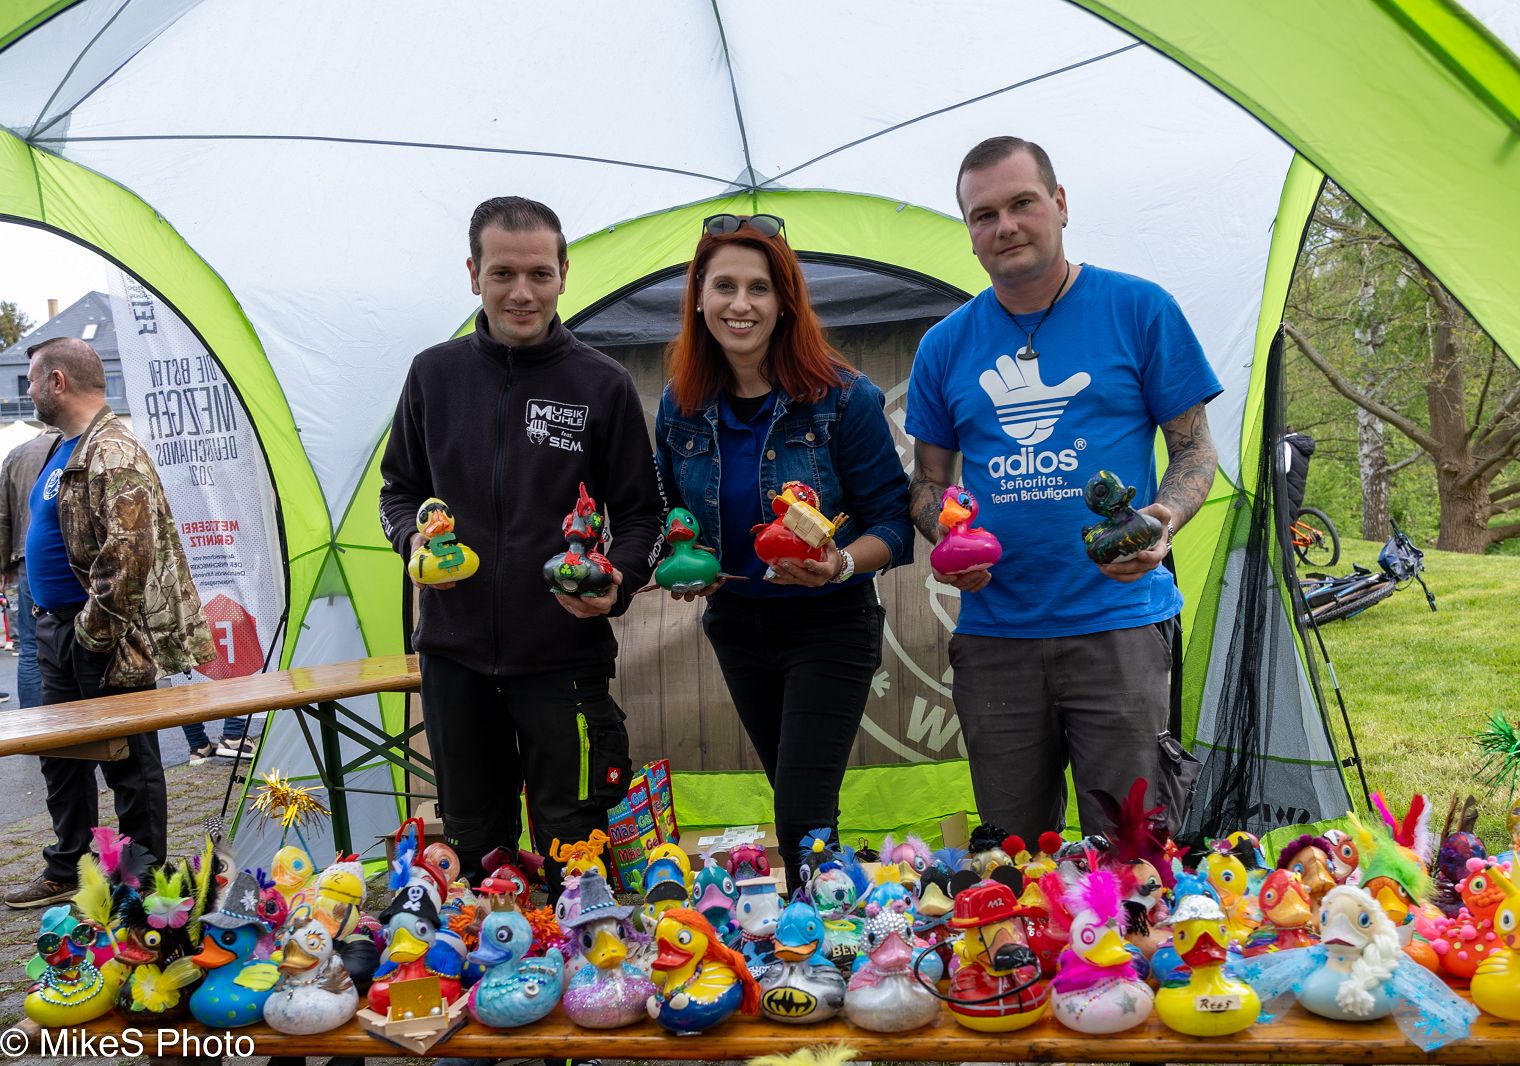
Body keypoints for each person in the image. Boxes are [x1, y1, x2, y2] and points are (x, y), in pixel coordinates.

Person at [905, 137, 1220, 844]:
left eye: (1022, 203)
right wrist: (948, 536)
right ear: (970, 233)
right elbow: (928, 482)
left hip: (1119, 624)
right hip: (995, 636)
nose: (1006, 226)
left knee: (1134, 853)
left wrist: (1162, 520)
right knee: (1015, 858)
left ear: (1061, 204)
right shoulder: (945, 346)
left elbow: (1195, 448)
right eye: (984, 215)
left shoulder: (1139, 310)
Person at [379, 196, 662, 898]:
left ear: (565, 273)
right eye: (503, 273)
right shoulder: (432, 375)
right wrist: (414, 542)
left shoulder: (602, 383)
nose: (522, 293)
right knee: (477, 853)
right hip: (454, 661)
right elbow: (397, 492)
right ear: (473, 273)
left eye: (539, 273)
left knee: (577, 851)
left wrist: (619, 581)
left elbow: (643, 515)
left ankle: (588, 963)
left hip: (564, 663)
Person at [655, 214, 912, 893]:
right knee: (804, 805)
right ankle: (837, 921)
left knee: (799, 814)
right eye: (724, 286)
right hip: (737, 625)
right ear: (699, 298)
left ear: (784, 301)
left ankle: (811, 932)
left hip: (830, 623)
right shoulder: (680, 406)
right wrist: (680, 562)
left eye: (759, 288)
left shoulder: (843, 398)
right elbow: (670, 516)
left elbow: (893, 522)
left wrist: (840, 564)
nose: (740, 304)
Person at [4, 337, 216, 908]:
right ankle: (70, 866)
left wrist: (90, 638)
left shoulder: (114, 451)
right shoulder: (61, 447)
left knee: (130, 763)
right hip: (55, 629)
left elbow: (128, 558)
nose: (27, 390)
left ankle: (142, 881)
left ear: (57, 382)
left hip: (101, 637)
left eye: (32, 379)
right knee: (61, 756)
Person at [0, 423, 62, 709]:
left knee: (29, 646)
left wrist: (5, 567)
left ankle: (34, 721)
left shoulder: (17, 454)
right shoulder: (75, 447)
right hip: (69, 557)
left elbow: (3, 516)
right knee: (78, 642)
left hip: (27, 557)